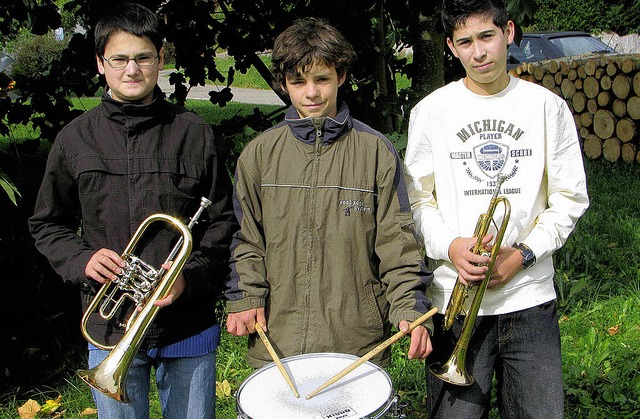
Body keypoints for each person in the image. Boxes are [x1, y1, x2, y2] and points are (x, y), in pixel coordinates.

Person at [29, 4, 236, 418]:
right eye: (119, 59)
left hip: (187, 325)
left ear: (160, 60)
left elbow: (223, 224)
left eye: (143, 58)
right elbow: (47, 224)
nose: (132, 70)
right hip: (110, 327)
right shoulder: (75, 139)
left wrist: (187, 279)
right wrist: (84, 259)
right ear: (100, 64)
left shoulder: (193, 133)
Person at [403, 0, 589, 417]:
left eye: (487, 36)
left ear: (508, 31)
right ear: (451, 47)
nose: (479, 52)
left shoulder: (546, 107)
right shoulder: (431, 111)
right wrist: (450, 246)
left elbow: (570, 197)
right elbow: (416, 200)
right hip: (455, 298)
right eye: (465, 42)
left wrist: (522, 256)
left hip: (530, 300)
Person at [225, 17, 434, 368]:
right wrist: (245, 296)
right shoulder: (259, 154)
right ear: (284, 83)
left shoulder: (375, 151)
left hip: (355, 341)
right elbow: (245, 239)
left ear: (341, 76)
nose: (311, 93)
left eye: (322, 79)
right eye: (298, 81)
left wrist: (409, 306)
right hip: (277, 340)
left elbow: (398, 243)